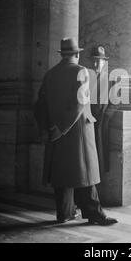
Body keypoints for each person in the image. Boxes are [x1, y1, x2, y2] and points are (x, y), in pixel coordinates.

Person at [34, 38, 118, 226]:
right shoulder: (81, 71)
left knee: (61, 173)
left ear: (62, 54)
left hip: (56, 132)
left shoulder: (50, 74)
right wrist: (61, 128)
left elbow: (39, 105)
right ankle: (95, 214)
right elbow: (80, 104)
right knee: (85, 173)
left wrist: (49, 128)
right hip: (77, 130)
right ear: (77, 54)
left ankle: (64, 213)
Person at [89, 46, 111, 174]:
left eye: (99, 60)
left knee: (100, 154)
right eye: (94, 60)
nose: (96, 63)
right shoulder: (87, 78)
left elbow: (116, 102)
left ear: (104, 62)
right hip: (89, 121)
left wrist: (106, 115)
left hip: (102, 123)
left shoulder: (111, 79)